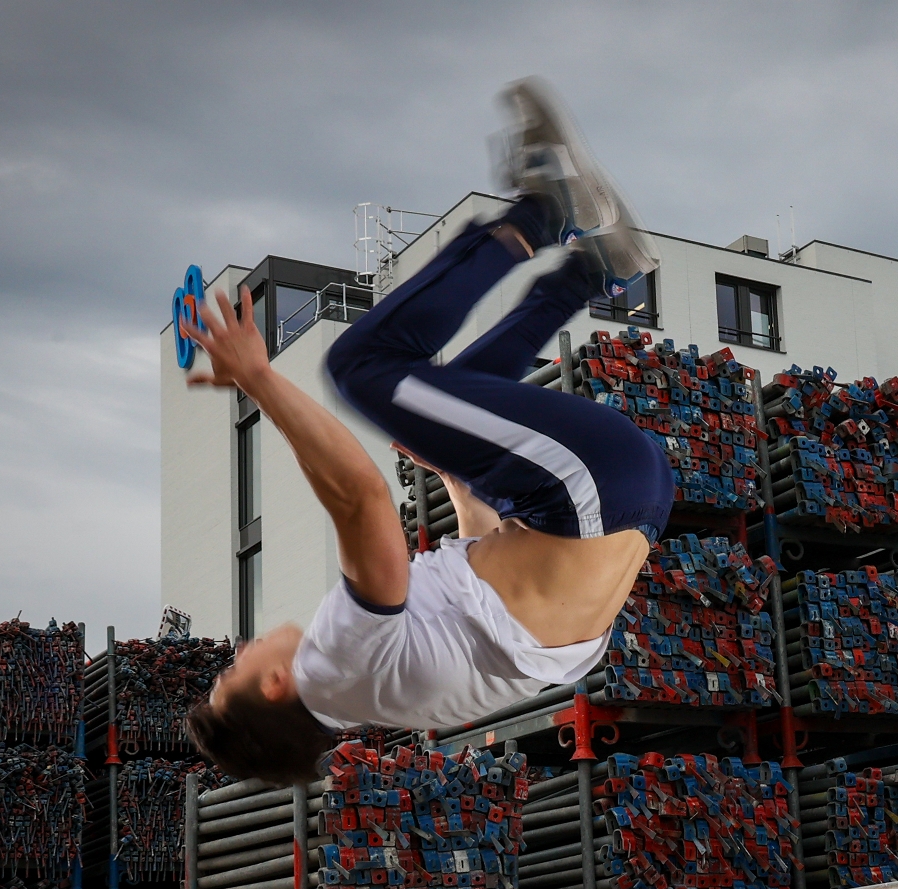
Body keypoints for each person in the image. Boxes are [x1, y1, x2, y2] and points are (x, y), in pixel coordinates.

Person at [182, 79, 670, 784]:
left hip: (629, 500)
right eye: (233, 673)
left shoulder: (395, 698)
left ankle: (591, 272)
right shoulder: (333, 664)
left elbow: (491, 591)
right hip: (587, 485)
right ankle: (542, 214)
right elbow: (361, 500)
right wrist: (259, 380)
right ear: (274, 685)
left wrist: (458, 481)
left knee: (451, 392)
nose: (240, 654)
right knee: (361, 367)